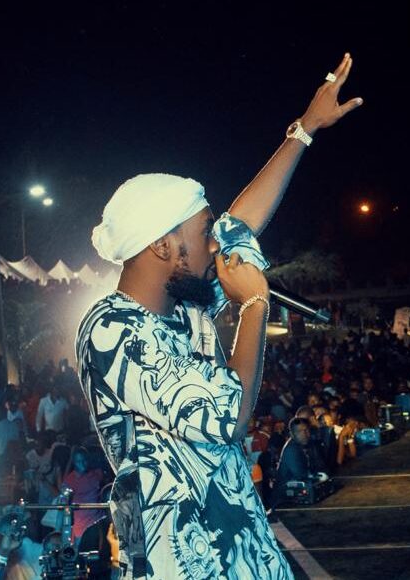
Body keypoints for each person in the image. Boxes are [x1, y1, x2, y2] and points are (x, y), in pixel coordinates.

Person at [75, 53, 361, 578]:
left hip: (243, 548)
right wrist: (254, 306)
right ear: (163, 246)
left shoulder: (186, 303)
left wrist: (304, 130)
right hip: (186, 561)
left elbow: (239, 226)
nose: (215, 245)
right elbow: (227, 417)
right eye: (203, 232)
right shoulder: (111, 329)